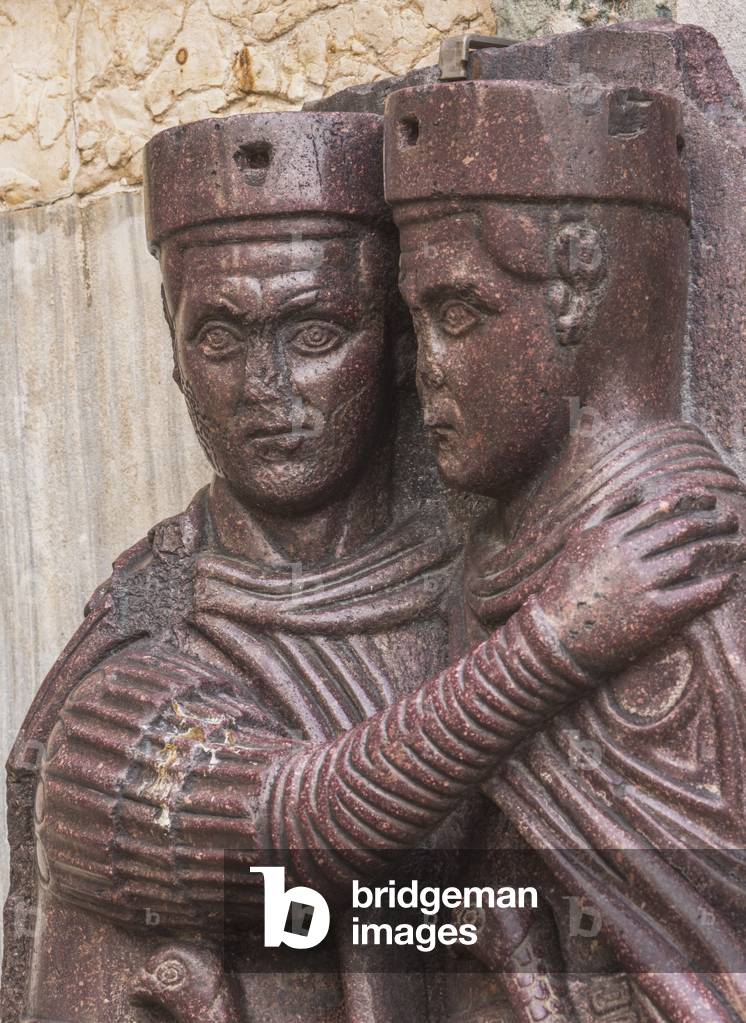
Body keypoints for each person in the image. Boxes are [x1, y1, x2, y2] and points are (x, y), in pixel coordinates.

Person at [4, 108, 740, 1023]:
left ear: (397, 344)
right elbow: (297, 826)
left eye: (313, 335)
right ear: (173, 347)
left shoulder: (480, 579)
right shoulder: (141, 646)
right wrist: (556, 642)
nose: (263, 388)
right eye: (219, 338)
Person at [384, 78, 746, 1022]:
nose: (428, 363)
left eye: (460, 315)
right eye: (414, 320)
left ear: (576, 295)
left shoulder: (689, 564)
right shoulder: (498, 566)